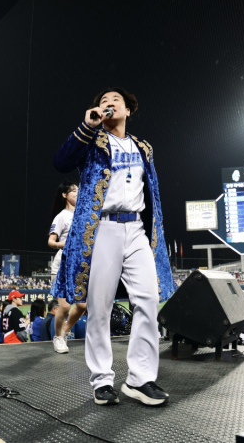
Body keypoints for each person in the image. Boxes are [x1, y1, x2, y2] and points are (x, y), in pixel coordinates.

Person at [51, 88, 176, 406]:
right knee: (100, 307)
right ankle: (102, 380)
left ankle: (140, 379)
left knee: (148, 301)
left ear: (129, 110)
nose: (109, 103)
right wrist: (87, 126)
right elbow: (60, 162)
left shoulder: (143, 146)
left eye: (115, 100)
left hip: (136, 229)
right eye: (102, 101)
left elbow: (152, 193)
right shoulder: (91, 139)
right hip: (101, 229)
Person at [48, 180, 86, 353]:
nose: (77, 194)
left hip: (79, 264)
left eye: (78, 191)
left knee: (82, 306)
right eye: (73, 191)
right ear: (65, 195)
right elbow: (50, 241)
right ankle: (57, 337)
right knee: (64, 306)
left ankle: (66, 330)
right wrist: (66, 244)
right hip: (62, 263)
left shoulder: (82, 214)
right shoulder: (62, 216)